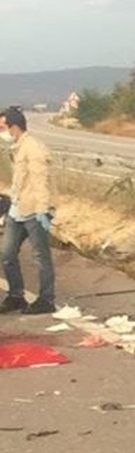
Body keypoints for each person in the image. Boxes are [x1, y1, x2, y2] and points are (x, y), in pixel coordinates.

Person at [0, 106, 56, 315]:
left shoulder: (34, 148)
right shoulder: (18, 147)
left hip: (34, 210)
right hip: (18, 208)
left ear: (14, 127)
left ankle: (46, 299)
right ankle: (16, 295)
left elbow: (41, 181)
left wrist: (43, 210)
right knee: (7, 253)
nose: (1, 132)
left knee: (41, 256)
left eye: (2, 127)